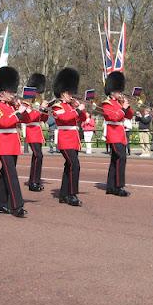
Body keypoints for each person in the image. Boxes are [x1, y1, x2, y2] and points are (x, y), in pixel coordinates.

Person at [0, 67, 27, 217]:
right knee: (11, 174)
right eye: (11, 91)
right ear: (2, 92)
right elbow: (4, 122)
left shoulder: (12, 106)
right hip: (3, 143)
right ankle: (17, 206)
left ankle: (0, 204)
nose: (13, 94)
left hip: (13, 143)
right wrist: (18, 112)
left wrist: (22, 109)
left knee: (5, 173)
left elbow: (27, 119)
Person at [51, 67, 86, 206]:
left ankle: (64, 194)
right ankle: (72, 194)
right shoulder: (57, 106)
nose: (71, 95)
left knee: (69, 167)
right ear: (63, 92)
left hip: (73, 139)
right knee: (74, 165)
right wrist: (77, 109)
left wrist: (79, 108)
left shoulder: (71, 106)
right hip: (65, 139)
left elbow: (82, 118)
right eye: (69, 92)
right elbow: (65, 119)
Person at [101, 71, 133, 196]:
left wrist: (127, 106)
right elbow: (113, 117)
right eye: (118, 91)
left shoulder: (119, 102)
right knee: (121, 158)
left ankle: (110, 186)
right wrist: (123, 108)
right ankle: (118, 186)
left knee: (115, 160)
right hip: (113, 133)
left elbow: (129, 116)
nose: (120, 93)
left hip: (120, 134)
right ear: (112, 91)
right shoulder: (106, 103)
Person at [22, 73, 49, 192]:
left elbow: (43, 119)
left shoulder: (38, 100)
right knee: (38, 155)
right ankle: (33, 182)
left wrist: (45, 110)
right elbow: (29, 118)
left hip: (37, 130)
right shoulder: (27, 101)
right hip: (31, 129)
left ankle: (34, 180)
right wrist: (40, 109)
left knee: (37, 156)